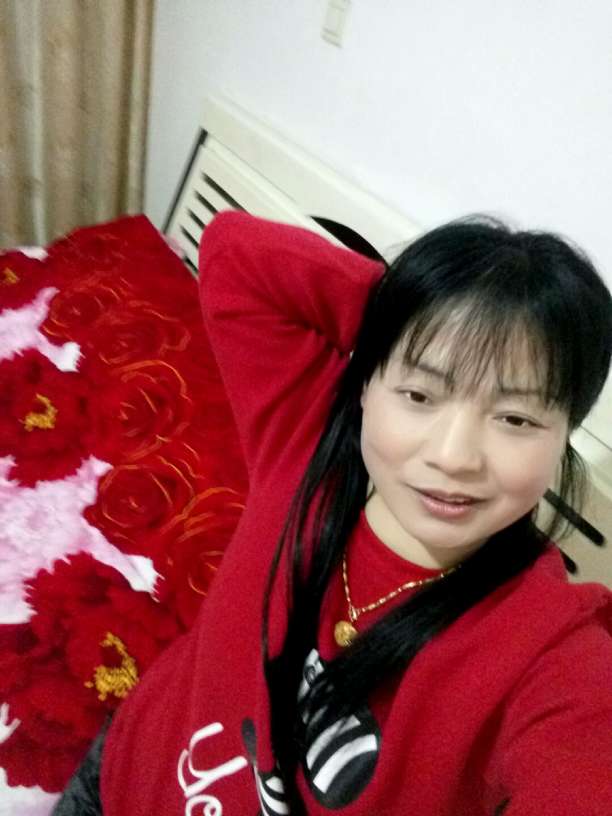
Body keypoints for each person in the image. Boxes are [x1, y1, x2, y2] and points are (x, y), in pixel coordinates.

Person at [55, 209, 612, 815]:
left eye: (516, 419)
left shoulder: (550, 652)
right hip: (118, 774)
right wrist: (420, 310)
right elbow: (234, 251)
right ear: (366, 384)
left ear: (564, 434)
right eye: (419, 394)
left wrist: (437, 335)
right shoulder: (306, 445)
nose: (453, 457)